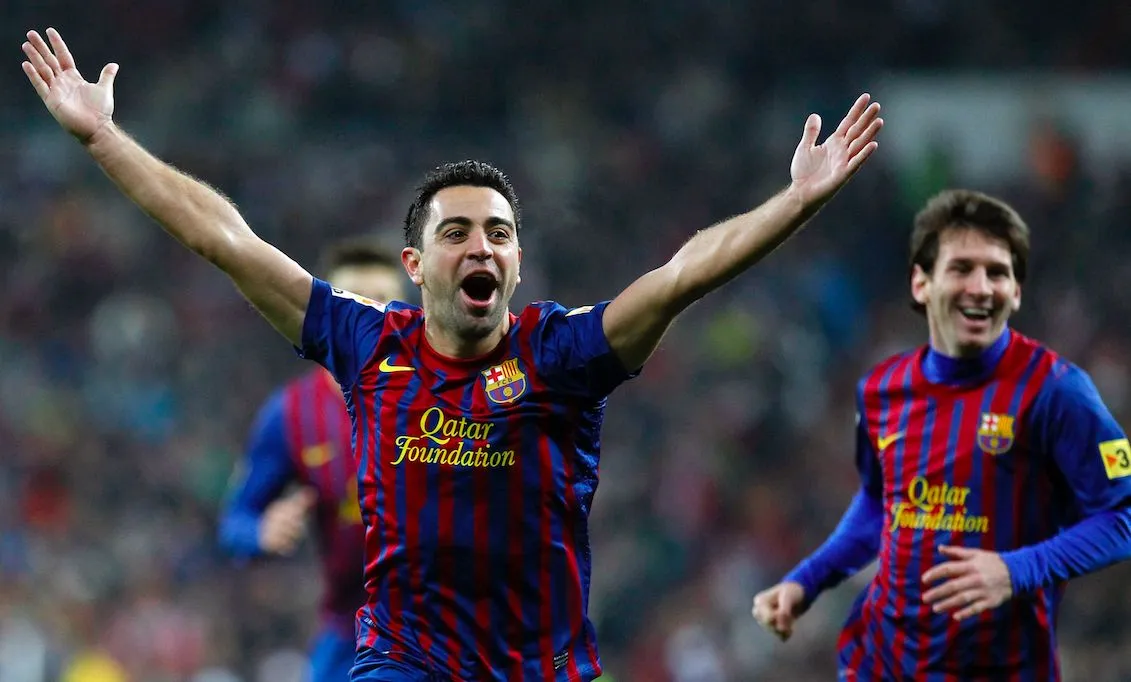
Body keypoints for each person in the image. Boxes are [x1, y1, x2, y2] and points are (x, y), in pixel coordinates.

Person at [21, 27, 882, 681]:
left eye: (498, 234)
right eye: (457, 231)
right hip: (404, 663)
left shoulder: (561, 353)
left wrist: (793, 201)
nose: (480, 247)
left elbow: (682, 274)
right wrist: (104, 140)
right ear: (415, 263)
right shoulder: (369, 343)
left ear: (516, 262)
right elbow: (226, 240)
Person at [752, 189, 1131, 680]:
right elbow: (879, 504)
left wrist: (1016, 569)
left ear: (1016, 292)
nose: (981, 288)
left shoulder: (1058, 391)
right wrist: (806, 581)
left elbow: (1123, 515)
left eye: (998, 272)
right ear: (921, 283)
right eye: (962, 268)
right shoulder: (881, 390)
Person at [218, 239, 405, 681]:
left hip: (450, 624)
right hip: (352, 631)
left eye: (380, 301)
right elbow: (235, 521)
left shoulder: (444, 392)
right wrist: (261, 532)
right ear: (325, 313)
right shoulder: (292, 414)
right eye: (352, 300)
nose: (365, 315)